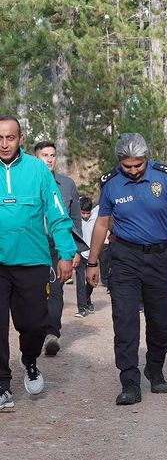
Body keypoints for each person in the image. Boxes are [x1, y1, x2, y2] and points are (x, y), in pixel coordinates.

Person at [86, 133, 167, 406]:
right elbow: (101, 224)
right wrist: (92, 261)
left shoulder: (165, 177)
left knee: (160, 321)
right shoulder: (111, 184)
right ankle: (130, 382)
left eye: (138, 165)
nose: (133, 171)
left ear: (147, 158)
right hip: (125, 258)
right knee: (125, 320)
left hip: (160, 257)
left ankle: (155, 367)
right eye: (127, 165)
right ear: (119, 161)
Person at [0, 116, 76, 410]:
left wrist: (67, 254)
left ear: (20, 139)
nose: (4, 144)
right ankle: (2, 384)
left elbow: (58, 214)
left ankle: (30, 360)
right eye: (0, 138)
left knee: (33, 325)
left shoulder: (38, 172)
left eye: (10, 137)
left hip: (32, 262)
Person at [34, 140, 82, 357]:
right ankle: (35, 331)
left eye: (52, 155)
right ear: (36, 158)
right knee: (32, 292)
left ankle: (52, 333)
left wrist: (75, 251)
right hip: (32, 246)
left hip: (57, 246)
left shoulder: (67, 184)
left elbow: (74, 220)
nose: (50, 159)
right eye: (45, 155)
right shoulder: (26, 182)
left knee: (56, 290)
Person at [75, 196, 99, 317]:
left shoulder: (96, 216)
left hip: (92, 255)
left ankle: (88, 301)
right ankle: (82, 307)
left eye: (87, 213)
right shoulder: (76, 219)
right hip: (79, 253)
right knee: (80, 281)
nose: (85, 216)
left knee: (91, 281)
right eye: (82, 213)